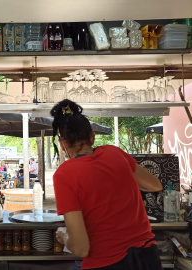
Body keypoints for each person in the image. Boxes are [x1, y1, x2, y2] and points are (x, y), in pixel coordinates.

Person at [51, 99, 163, 270]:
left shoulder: (65, 174)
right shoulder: (115, 153)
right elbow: (155, 185)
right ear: (92, 137)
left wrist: (64, 236)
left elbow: (81, 248)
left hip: (106, 263)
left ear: (63, 144)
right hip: (147, 258)